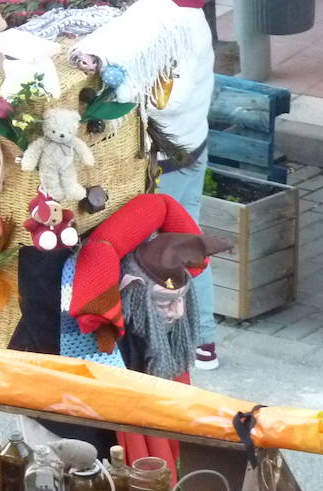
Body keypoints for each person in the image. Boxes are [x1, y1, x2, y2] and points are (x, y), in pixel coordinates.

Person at [72, 0, 219, 369]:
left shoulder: (173, 24)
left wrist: (122, 84)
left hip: (167, 160)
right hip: (191, 145)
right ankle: (204, 340)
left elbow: (166, 99)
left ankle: (178, 336)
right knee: (191, 244)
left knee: (163, 255)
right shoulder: (190, 19)